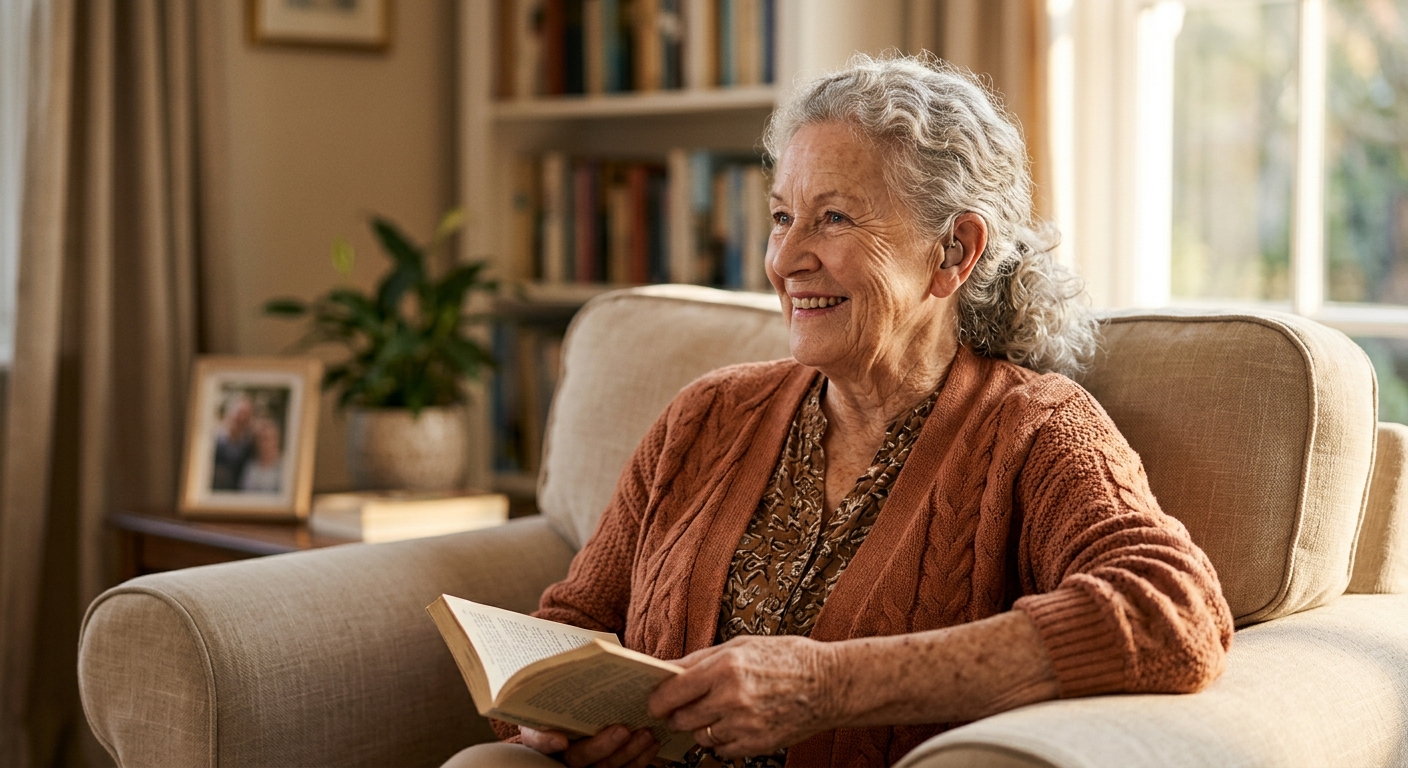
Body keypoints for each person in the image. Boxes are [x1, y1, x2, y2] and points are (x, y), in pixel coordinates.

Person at [450, 54, 1234, 768]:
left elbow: (1174, 614)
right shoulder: (709, 412)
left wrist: (827, 685)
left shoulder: (1034, 429)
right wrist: (549, 727)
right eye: (783, 216)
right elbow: (575, 617)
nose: (786, 261)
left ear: (954, 251)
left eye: (834, 219)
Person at [210, 392, 255, 491]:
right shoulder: (211, 441)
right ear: (229, 413)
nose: (242, 418)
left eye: (246, 415)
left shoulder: (249, 447)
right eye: (239, 413)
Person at [238, 415, 284, 493]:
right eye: (259, 439)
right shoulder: (250, 468)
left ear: (276, 440)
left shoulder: (286, 466)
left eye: (267, 439)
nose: (263, 444)